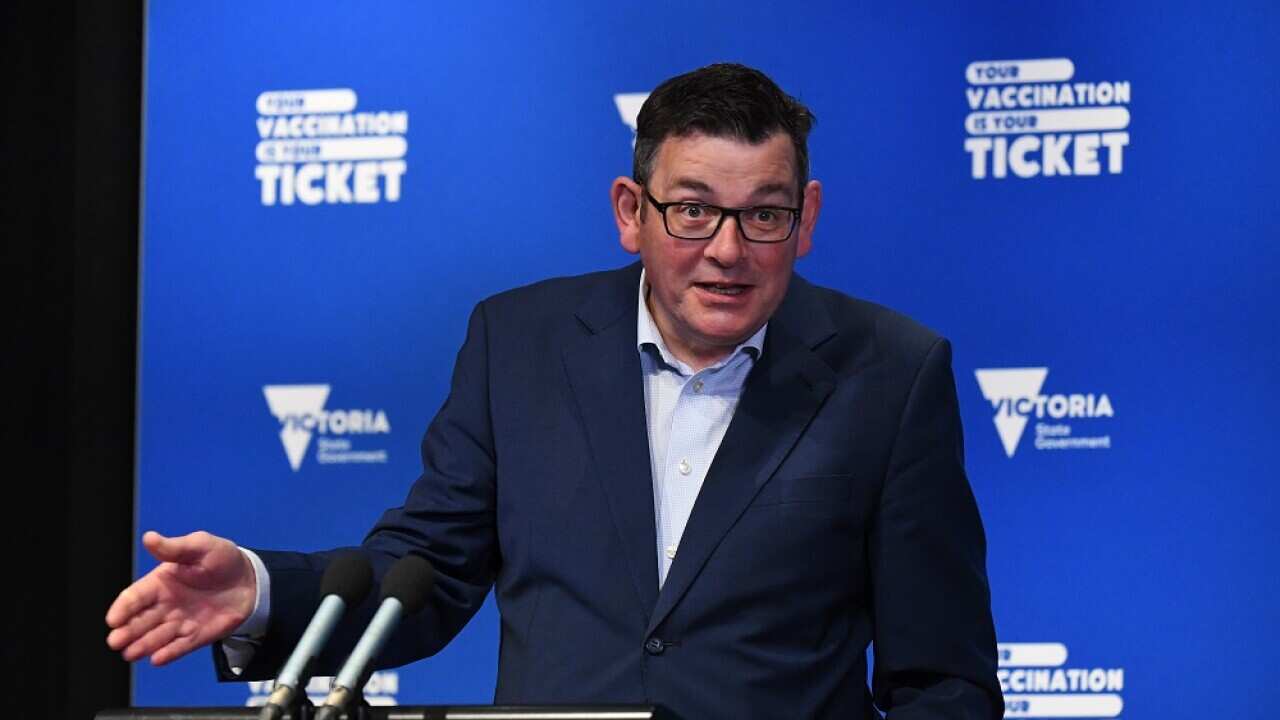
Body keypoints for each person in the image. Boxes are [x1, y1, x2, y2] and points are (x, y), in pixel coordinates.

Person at [107, 63, 1001, 719]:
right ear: (630, 212)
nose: (727, 250)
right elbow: (424, 573)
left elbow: (945, 679)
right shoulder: (520, 345)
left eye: (762, 216)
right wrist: (261, 591)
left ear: (804, 220)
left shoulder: (890, 372)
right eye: (692, 210)